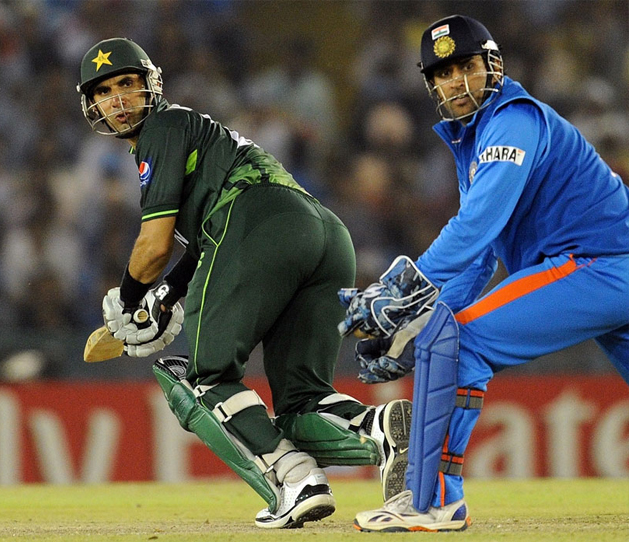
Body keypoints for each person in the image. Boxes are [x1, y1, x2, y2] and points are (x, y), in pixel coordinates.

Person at [76, 37, 412, 529]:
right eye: (105, 91)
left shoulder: (163, 126)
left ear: (152, 85)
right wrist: (167, 295)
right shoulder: (196, 131)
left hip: (254, 224)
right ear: (92, 105)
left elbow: (154, 247)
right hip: (324, 234)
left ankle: (295, 482)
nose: (120, 99)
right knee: (301, 401)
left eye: (127, 83)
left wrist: (130, 300)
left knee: (198, 379)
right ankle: (382, 428)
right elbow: (203, 241)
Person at [340, 14, 629, 533]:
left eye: (466, 65)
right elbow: (479, 257)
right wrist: (423, 318)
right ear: (431, 85)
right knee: (445, 334)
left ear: (493, 65)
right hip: (606, 271)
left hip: (599, 266)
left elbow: (476, 225)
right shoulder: (475, 138)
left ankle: (433, 501)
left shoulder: (513, 118)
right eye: (443, 73)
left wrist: (403, 285)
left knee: (463, 342)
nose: (457, 80)